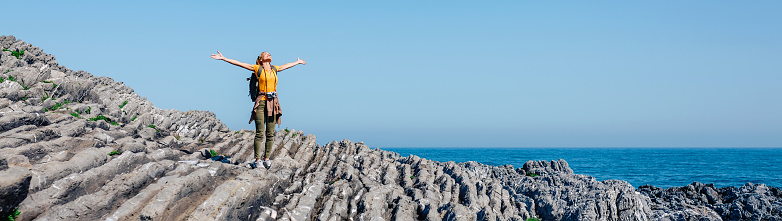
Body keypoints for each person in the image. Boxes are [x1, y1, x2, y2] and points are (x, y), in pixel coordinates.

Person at [210, 51, 306, 169]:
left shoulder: (275, 69)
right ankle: (257, 160)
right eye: (266, 54)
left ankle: (266, 159)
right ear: (261, 59)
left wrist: (297, 62)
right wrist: (224, 58)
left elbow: (285, 65)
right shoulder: (257, 68)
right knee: (260, 132)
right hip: (261, 102)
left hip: (273, 103)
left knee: (270, 133)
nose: (269, 54)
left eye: (270, 53)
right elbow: (240, 64)